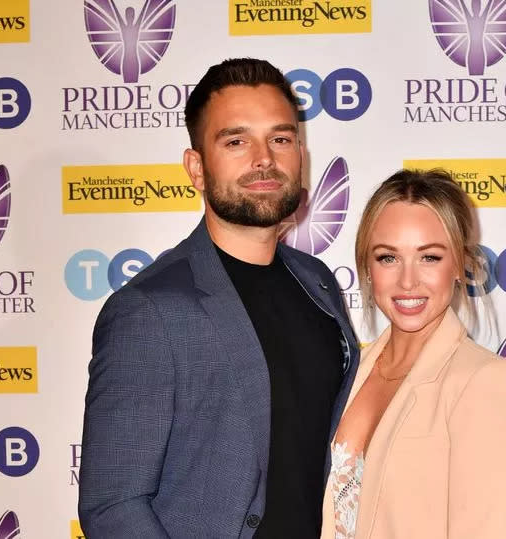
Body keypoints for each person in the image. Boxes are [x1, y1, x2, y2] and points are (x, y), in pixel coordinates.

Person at [78, 58, 360, 539]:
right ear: (196, 168)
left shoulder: (318, 285)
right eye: (236, 141)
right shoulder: (149, 310)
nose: (264, 159)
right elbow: (112, 506)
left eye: (281, 138)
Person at [321, 169, 506, 538]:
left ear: (460, 265)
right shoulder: (351, 372)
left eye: (429, 257)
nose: (407, 281)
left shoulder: (488, 381)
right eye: (388, 258)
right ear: (367, 269)